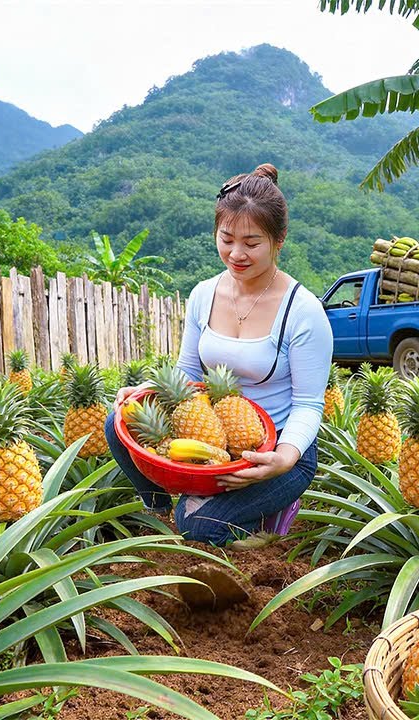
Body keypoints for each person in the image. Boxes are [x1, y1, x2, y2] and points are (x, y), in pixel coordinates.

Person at [104, 163, 333, 551]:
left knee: (200, 529)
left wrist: (285, 458)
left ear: (280, 240)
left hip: (273, 451)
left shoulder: (304, 310)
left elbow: (309, 403)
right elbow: (188, 371)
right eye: (226, 238)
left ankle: (264, 516)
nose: (236, 253)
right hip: (214, 436)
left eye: (252, 242)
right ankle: (162, 513)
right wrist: (145, 390)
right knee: (116, 424)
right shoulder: (203, 294)